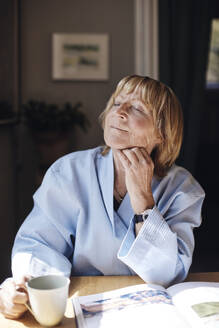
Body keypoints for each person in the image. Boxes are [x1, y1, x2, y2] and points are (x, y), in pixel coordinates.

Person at [0, 75, 205, 319]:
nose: (120, 112)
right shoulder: (68, 172)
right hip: (82, 306)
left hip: (151, 312)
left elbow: (168, 273)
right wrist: (28, 287)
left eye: (138, 108)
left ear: (162, 133)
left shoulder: (182, 189)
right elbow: (39, 244)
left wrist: (143, 199)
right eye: (117, 103)